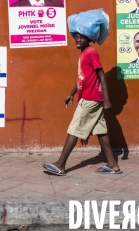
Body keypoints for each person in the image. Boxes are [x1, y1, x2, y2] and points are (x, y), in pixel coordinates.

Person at [41, 32, 121, 176]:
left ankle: (61, 165)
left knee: (74, 128)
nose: (78, 39)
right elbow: (82, 78)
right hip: (91, 98)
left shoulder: (91, 52)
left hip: (91, 99)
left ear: (90, 38)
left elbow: (101, 75)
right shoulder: (84, 53)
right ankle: (113, 164)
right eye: (76, 36)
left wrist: (107, 99)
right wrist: (71, 93)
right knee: (100, 130)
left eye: (82, 37)